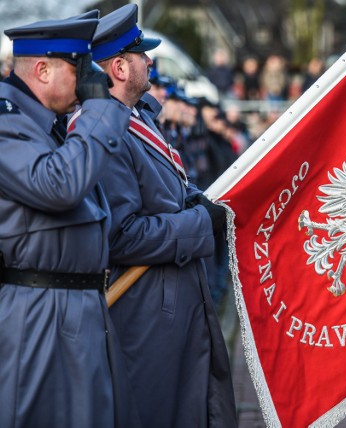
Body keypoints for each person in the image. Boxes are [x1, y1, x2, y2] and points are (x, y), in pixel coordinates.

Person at [87, 5, 237, 427]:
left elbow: (172, 194)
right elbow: (123, 234)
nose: (150, 61)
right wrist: (198, 224)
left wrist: (204, 205)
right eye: (141, 56)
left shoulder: (138, 119)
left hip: (174, 297)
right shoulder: (108, 133)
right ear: (119, 67)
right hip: (148, 307)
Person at [0, 13, 140, 428]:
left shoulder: (49, 126)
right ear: (41, 70)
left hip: (76, 308)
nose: (85, 79)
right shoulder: (7, 124)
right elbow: (58, 184)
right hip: (37, 312)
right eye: (76, 67)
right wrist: (102, 108)